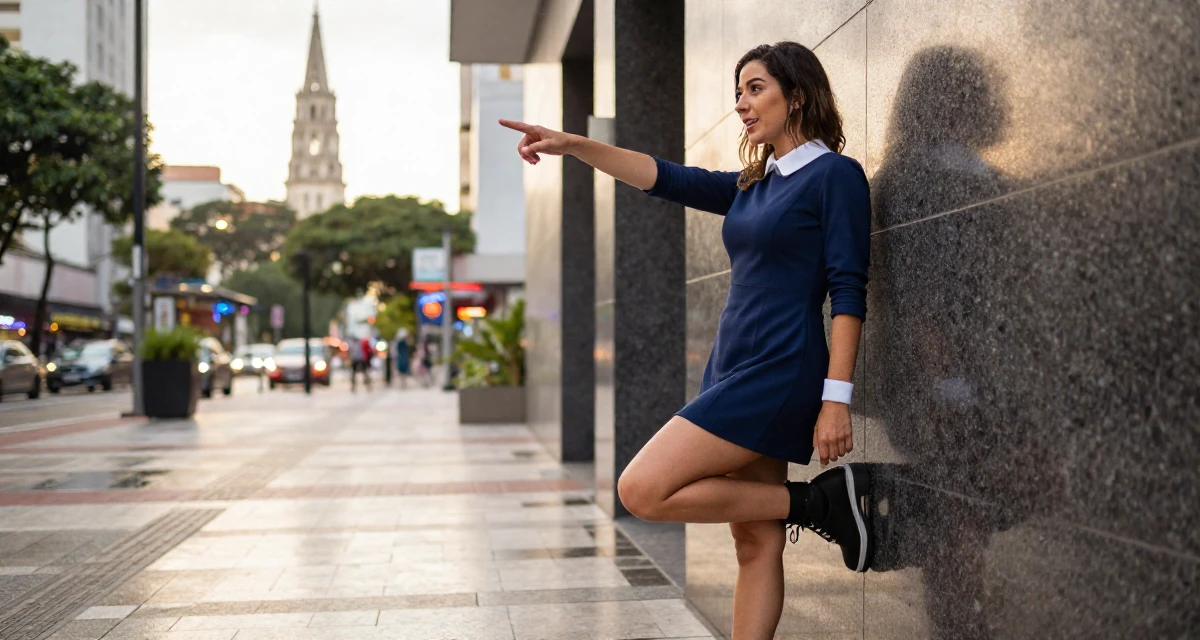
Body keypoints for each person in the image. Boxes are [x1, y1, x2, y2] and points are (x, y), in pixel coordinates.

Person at [502, 41, 872, 638]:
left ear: (797, 94)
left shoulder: (835, 176)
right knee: (753, 543)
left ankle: (818, 504)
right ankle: (818, 506)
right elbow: (662, 176)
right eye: (738, 92)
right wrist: (572, 145)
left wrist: (836, 398)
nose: (742, 105)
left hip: (781, 368)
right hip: (731, 366)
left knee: (642, 489)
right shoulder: (756, 183)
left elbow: (850, 292)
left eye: (756, 89)